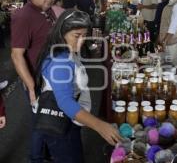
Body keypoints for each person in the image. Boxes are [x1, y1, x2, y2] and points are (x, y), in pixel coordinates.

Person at [34, 10, 121, 162]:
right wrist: (100, 126)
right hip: (61, 126)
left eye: (84, 35)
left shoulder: (65, 50)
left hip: (69, 122)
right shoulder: (60, 62)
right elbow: (65, 102)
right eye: (77, 35)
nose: (81, 41)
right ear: (62, 32)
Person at [10, 0, 56, 161]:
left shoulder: (47, 11)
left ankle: (46, 154)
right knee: (40, 123)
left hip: (52, 78)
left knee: (50, 120)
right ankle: (36, 158)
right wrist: (31, 87)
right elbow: (16, 55)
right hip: (38, 81)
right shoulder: (23, 16)